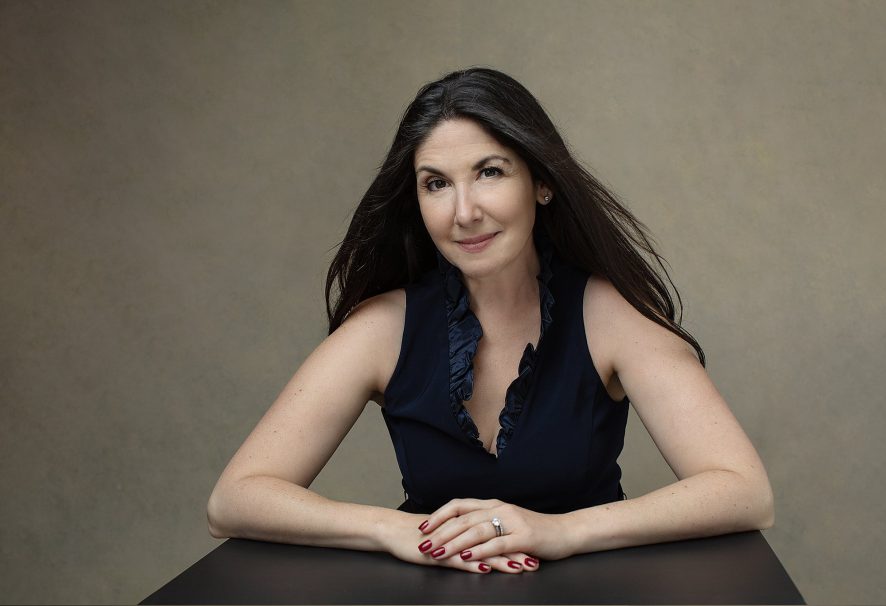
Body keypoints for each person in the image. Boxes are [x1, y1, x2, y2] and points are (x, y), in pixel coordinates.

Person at [206, 68, 773, 576]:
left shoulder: (608, 315)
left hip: (593, 600)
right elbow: (234, 500)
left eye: (490, 172)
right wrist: (394, 529)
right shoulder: (383, 327)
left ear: (541, 182)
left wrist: (562, 532)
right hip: (431, 603)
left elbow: (745, 492)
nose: (464, 211)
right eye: (436, 183)